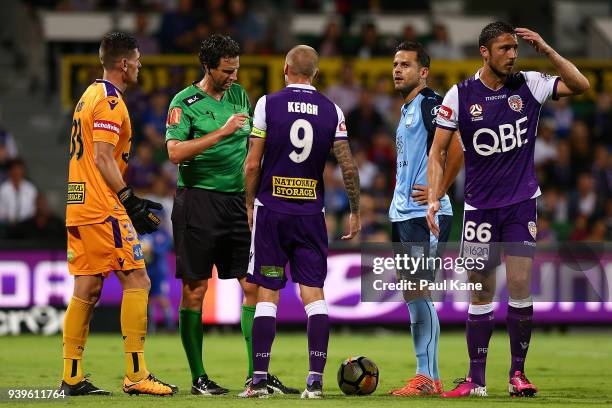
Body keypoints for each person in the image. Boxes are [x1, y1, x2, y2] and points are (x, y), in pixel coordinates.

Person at [427, 22, 589, 398]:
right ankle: (476, 380)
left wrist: (547, 49)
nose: (512, 55)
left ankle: (518, 374)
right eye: (504, 48)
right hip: (480, 210)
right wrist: (435, 196)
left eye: (514, 48)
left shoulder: (528, 84)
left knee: (518, 286)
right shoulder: (460, 94)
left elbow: (580, 85)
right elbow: (437, 151)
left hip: (520, 204)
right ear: (485, 51)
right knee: (480, 293)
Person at [165, 34, 295, 396]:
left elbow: (254, 143)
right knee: (195, 290)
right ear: (208, 67)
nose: (234, 76)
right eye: (226, 70)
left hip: (239, 203)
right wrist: (221, 133)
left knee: (252, 285)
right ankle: (199, 378)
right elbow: (175, 153)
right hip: (198, 201)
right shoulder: (184, 103)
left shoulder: (239, 95)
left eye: (236, 69)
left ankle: (258, 376)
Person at [240, 45, 361, 399]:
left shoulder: (267, 104)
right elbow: (348, 165)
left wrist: (249, 202)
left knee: (268, 292)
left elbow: (251, 164)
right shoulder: (333, 110)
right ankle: (315, 381)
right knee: (314, 296)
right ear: (316, 74)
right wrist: (354, 208)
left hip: (273, 212)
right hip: (310, 214)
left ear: (286, 68)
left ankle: (259, 380)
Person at [62, 32, 177, 396]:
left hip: (78, 203)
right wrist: (129, 199)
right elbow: (102, 156)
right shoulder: (111, 101)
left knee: (88, 287)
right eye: (138, 60)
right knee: (138, 282)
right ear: (124, 63)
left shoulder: (87, 96)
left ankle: (72, 376)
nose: (140, 65)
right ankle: (136, 374)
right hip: (102, 207)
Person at [387, 41, 463, 397]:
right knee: (412, 291)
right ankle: (427, 376)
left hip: (424, 214)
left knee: (420, 289)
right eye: (395, 64)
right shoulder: (407, 109)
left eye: (405, 64)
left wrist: (438, 192)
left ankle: (426, 376)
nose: (397, 69)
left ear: (423, 71)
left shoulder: (431, 104)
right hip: (403, 213)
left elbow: (457, 147)